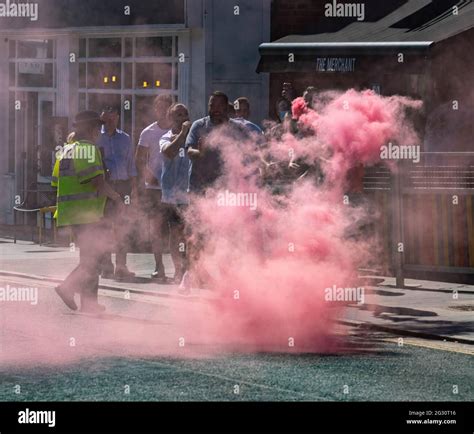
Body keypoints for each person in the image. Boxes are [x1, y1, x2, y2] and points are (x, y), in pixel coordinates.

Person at [52, 111, 126, 313]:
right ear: (92, 129)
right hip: (88, 214)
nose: (100, 132)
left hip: (72, 213)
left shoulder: (66, 150)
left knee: (90, 258)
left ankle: (89, 303)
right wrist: (117, 198)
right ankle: (67, 287)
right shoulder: (89, 150)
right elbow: (97, 183)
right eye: (98, 128)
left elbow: (55, 182)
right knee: (93, 259)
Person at [135, 95, 173, 281]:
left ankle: (181, 269)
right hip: (154, 188)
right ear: (155, 109)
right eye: (159, 108)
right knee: (157, 229)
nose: (163, 111)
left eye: (166, 107)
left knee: (175, 230)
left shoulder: (179, 131)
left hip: (175, 187)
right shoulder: (148, 132)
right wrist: (152, 178)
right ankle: (159, 267)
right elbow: (139, 159)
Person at [98, 106, 138, 280]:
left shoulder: (125, 138)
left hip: (123, 186)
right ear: (102, 118)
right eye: (106, 119)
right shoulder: (97, 138)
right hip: (105, 186)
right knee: (105, 227)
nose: (110, 122)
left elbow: (131, 165)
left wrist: (134, 189)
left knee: (122, 228)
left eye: (113, 119)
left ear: (118, 118)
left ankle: (121, 266)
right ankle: (107, 266)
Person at [160, 103, 192, 283]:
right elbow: (169, 152)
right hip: (172, 196)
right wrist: (183, 134)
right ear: (171, 119)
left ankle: (190, 270)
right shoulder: (166, 137)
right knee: (176, 234)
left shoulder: (193, 137)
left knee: (190, 235)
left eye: (185, 114)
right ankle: (178, 269)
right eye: (179, 115)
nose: (184, 118)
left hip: (190, 194)